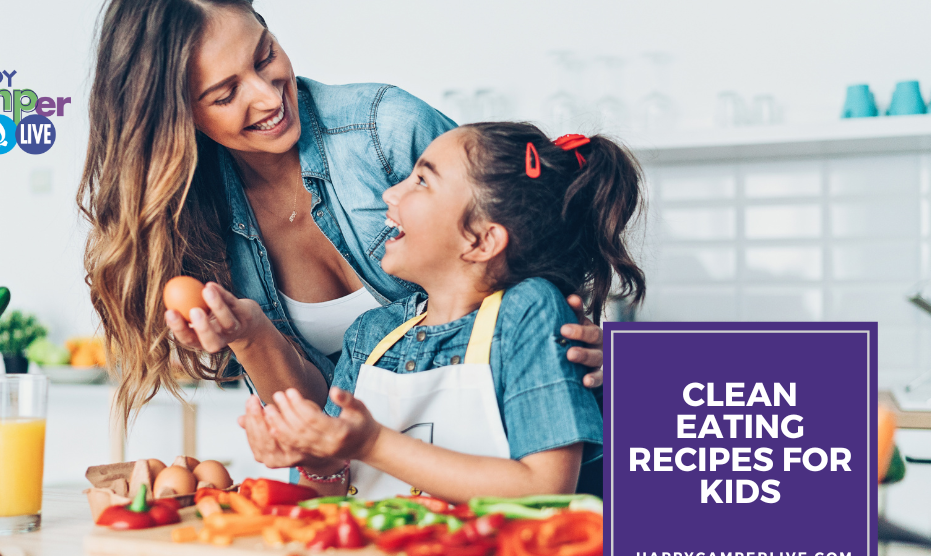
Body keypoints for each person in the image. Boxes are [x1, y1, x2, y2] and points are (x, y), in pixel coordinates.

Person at [78, 0, 605, 430]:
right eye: (226, 93)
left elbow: (528, 244)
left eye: (264, 57)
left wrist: (597, 348)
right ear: (176, 116)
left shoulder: (388, 130)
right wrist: (251, 336)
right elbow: (325, 424)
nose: (266, 97)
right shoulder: (191, 221)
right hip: (377, 495)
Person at [239, 123, 646, 503]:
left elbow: (546, 487)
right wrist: (317, 461)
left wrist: (372, 443)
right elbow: (329, 496)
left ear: (482, 241)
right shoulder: (370, 335)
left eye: (422, 180)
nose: (390, 194)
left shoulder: (528, 312)